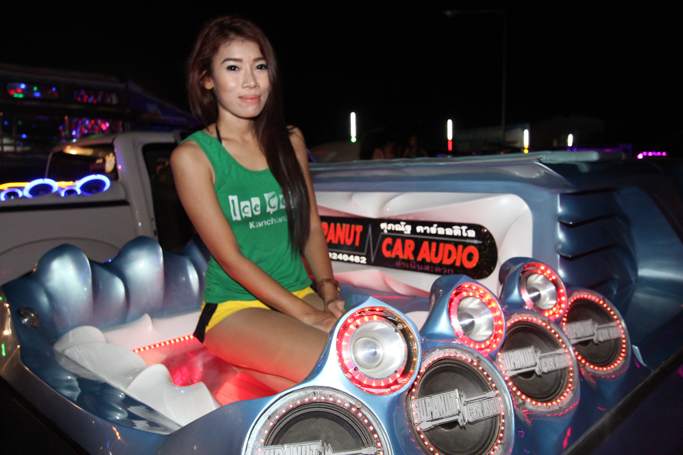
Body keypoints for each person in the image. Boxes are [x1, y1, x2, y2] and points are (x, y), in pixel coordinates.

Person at [169, 16, 345, 393]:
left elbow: (310, 226)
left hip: (300, 293)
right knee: (335, 364)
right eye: (233, 68)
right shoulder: (193, 157)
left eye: (260, 67)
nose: (251, 81)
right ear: (207, 79)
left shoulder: (290, 141)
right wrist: (309, 316)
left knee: (374, 353)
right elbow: (231, 258)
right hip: (235, 308)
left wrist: (329, 292)